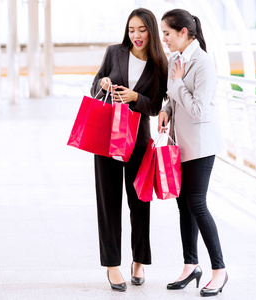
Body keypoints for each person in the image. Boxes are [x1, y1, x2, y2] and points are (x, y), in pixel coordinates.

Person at [90, 8, 168, 292]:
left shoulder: (160, 64)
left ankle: (139, 260)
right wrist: (103, 83)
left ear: (151, 32)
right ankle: (112, 265)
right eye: (132, 30)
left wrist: (136, 97)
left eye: (142, 30)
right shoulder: (114, 52)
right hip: (106, 137)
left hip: (139, 139)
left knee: (139, 201)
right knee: (108, 202)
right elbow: (94, 86)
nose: (136, 35)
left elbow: (157, 105)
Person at [158, 9, 228, 297]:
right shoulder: (176, 59)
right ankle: (191, 266)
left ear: (183, 32)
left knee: (197, 204)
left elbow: (199, 111)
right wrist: (165, 110)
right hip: (180, 144)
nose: (163, 39)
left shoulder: (203, 63)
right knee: (183, 205)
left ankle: (219, 271)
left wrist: (176, 86)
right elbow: (172, 98)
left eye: (167, 34)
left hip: (200, 145)